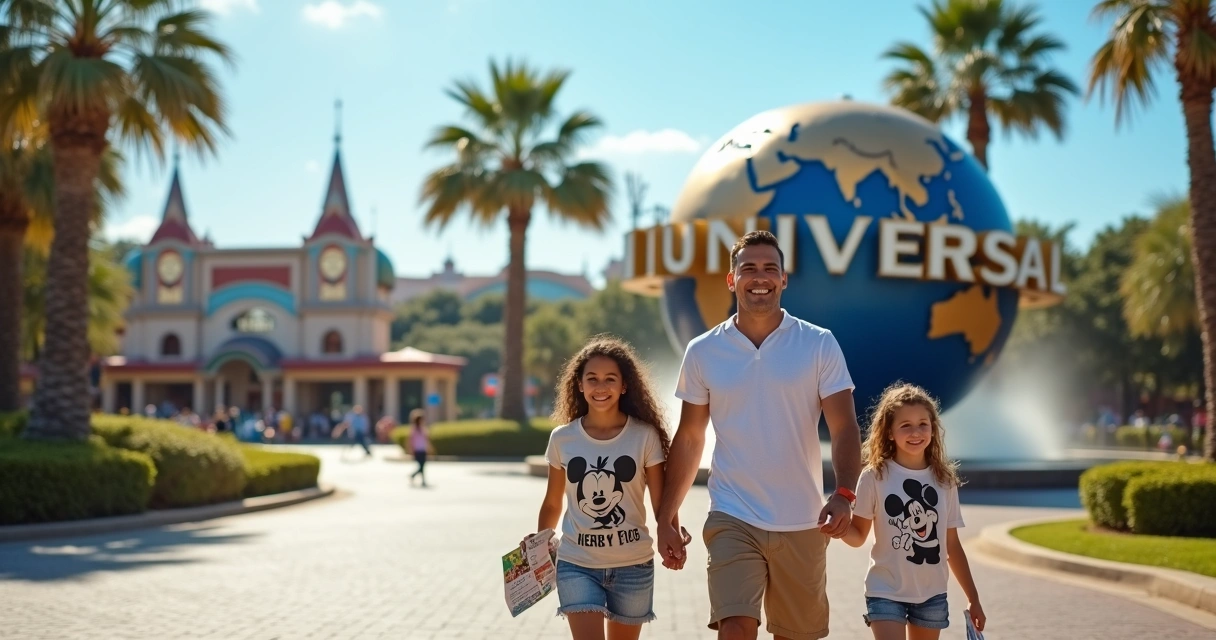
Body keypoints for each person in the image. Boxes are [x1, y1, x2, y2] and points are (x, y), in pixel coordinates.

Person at [657, 230, 863, 640]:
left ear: (784, 279)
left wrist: (843, 495)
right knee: (735, 626)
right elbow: (690, 438)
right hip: (733, 513)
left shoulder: (819, 343)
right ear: (732, 280)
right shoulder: (702, 350)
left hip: (804, 520)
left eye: (771, 268)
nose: (760, 276)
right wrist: (666, 516)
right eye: (748, 268)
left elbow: (844, 427)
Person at [528, 336, 684, 640]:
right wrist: (539, 544)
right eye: (593, 379)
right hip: (576, 565)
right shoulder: (563, 439)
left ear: (624, 385)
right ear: (580, 384)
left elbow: (661, 500)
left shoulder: (644, 436)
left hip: (633, 566)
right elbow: (551, 503)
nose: (601, 386)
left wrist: (671, 533)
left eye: (610, 379)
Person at [840, 383, 985, 639]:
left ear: (933, 429)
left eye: (923, 424)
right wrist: (838, 527)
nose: (916, 432)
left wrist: (973, 598)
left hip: (932, 595)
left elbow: (952, 546)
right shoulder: (874, 477)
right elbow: (857, 536)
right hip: (884, 590)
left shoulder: (944, 480)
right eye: (905, 425)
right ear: (889, 433)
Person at [408, 408, 432, 487]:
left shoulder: (423, 428)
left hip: (423, 449)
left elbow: (426, 439)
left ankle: (421, 479)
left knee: (423, 466)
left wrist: (429, 447)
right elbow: (411, 440)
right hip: (417, 450)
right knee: (421, 466)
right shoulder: (414, 429)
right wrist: (411, 449)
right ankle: (414, 475)